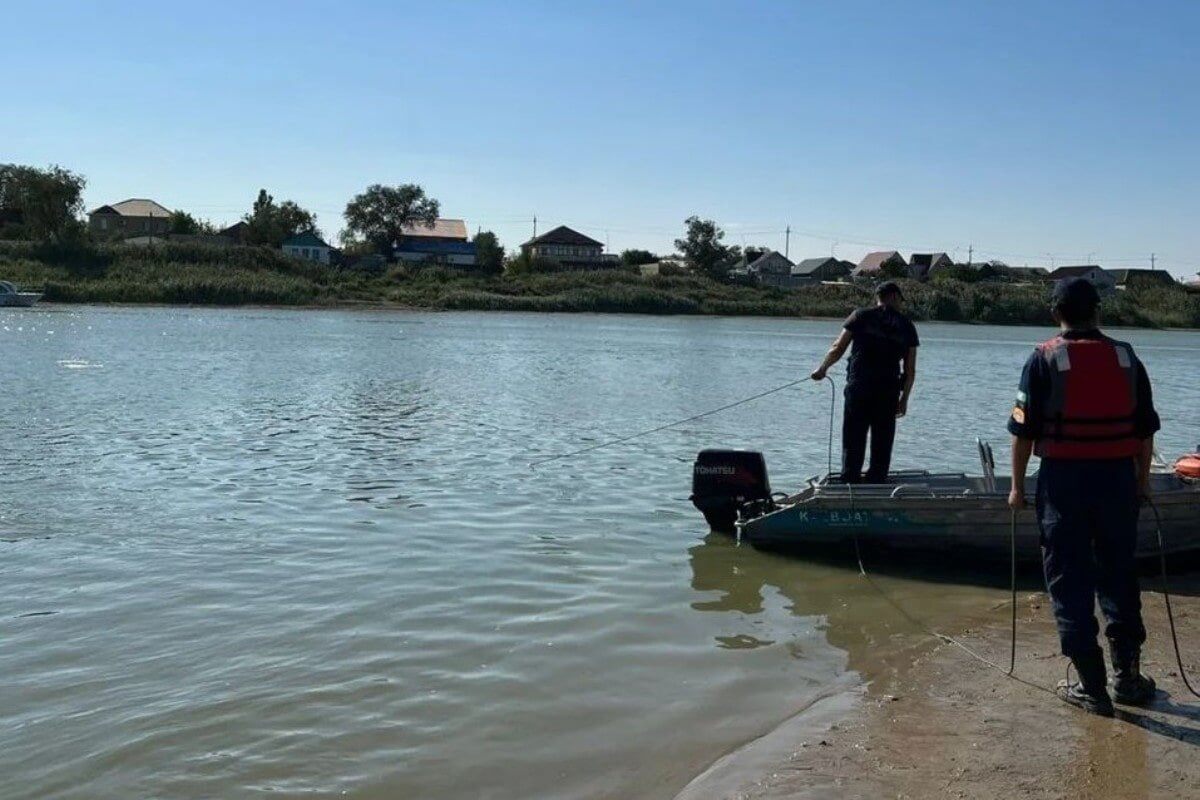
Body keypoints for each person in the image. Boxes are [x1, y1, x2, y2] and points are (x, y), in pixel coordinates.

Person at [1007, 277, 1160, 716]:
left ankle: (1092, 687)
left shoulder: (1043, 358)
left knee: (1068, 578)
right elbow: (1144, 431)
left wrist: (1017, 489)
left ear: (1056, 313)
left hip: (1064, 482)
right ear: (1098, 311)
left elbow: (1022, 434)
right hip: (1117, 480)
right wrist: (1143, 482)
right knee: (1119, 573)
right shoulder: (1127, 357)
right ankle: (1127, 679)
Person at [810, 281, 919, 483]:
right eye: (900, 300)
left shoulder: (860, 316)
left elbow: (838, 347)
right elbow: (910, 370)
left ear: (878, 297)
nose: (901, 305)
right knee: (882, 442)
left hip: (859, 387)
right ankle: (876, 481)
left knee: (853, 437)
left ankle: (850, 479)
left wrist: (822, 369)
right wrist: (904, 400)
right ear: (894, 296)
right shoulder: (907, 325)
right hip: (888, 391)